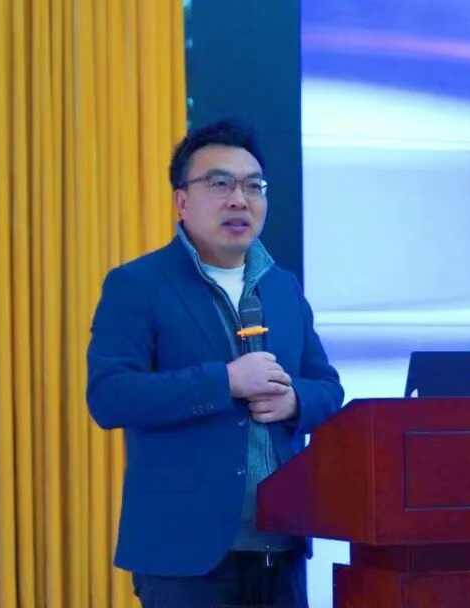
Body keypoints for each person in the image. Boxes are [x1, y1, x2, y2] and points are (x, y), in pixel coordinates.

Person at [86, 118, 344, 608]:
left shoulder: (282, 287)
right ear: (182, 201)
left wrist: (295, 401)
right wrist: (224, 382)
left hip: (280, 544)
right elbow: (109, 396)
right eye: (220, 184)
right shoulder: (137, 285)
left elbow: (328, 388)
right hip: (184, 553)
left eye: (253, 186)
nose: (239, 199)